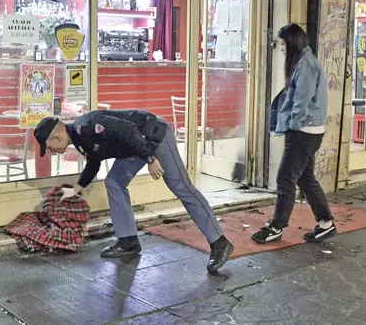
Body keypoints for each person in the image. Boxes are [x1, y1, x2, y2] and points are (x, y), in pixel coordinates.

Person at [34, 109, 234, 273]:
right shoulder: (78, 137)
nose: (50, 152)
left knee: (180, 186)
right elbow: (94, 162)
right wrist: (77, 189)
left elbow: (129, 130)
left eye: (48, 147)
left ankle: (219, 242)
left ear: (56, 136)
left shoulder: (88, 126)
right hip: (136, 147)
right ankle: (128, 240)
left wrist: (150, 159)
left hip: (154, 136)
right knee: (114, 182)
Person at [252, 23, 336, 245]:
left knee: (285, 178)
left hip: (303, 131)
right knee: (305, 179)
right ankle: (326, 223)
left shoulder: (306, 65)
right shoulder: (304, 62)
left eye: (282, 45)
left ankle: (276, 227)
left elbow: (302, 100)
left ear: (292, 42)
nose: (281, 49)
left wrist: (292, 125)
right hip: (309, 131)